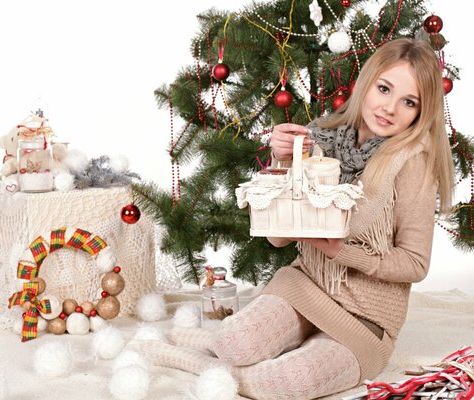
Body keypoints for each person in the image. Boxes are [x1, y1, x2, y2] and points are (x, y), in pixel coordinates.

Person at [140, 37, 455, 399]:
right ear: (367, 82)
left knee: (288, 383)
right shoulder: (321, 136)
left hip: (364, 322)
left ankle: (188, 358)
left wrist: (342, 251)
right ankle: (215, 344)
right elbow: (278, 239)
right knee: (235, 344)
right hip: (304, 286)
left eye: (409, 101)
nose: (389, 108)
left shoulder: (412, 160)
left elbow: (415, 263)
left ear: (421, 111)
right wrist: (284, 162)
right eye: (384, 88)